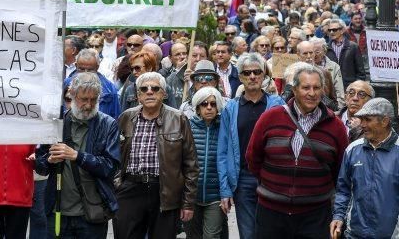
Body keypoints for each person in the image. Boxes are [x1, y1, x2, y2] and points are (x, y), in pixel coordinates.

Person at [246, 63, 348, 239]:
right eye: (306, 87)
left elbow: (340, 170)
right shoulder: (271, 117)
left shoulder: (335, 126)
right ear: (294, 89)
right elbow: (253, 158)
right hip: (271, 211)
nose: (312, 93)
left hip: (315, 214)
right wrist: (274, 185)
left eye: (317, 88)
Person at [113, 72, 198, 239]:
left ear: (164, 93)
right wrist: (117, 184)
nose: (149, 92)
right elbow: (115, 155)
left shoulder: (178, 118)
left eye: (155, 88)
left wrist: (188, 203)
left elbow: (191, 164)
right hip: (130, 189)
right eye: (144, 89)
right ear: (138, 95)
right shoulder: (126, 117)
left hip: (165, 192)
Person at [36, 72, 120, 238]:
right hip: (57, 210)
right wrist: (49, 160)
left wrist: (78, 156)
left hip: (92, 212)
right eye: (84, 99)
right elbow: (40, 166)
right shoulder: (56, 123)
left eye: (93, 100)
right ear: (72, 95)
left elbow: (110, 167)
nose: (88, 105)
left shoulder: (108, 124)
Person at [217, 53, 284, 239]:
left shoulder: (277, 105)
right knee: (248, 234)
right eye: (247, 73)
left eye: (257, 72)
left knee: (271, 233)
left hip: (272, 178)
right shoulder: (230, 108)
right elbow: (222, 151)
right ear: (240, 77)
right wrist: (225, 189)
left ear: (263, 75)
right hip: (243, 179)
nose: (252, 76)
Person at [331, 98, 399, 239]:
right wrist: (338, 216)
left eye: (367, 120)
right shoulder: (353, 149)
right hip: (354, 234)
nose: (362, 125)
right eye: (361, 120)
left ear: (385, 121)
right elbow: (343, 189)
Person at [184, 87, 226, 239]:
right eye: (204, 104)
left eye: (213, 104)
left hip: (215, 196)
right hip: (191, 196)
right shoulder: (187, 126)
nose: (209, 107)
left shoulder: (224, 127)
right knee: (192, 236)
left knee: (211, 236)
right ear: (197, 107)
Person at [64, 49, 120, 119]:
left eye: (90, 70)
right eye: (81, 69)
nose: (85, 73)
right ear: (76, 65)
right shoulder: (66, 85)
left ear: (97, 67)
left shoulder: (110, 89)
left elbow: (116, 117)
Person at [325, 17, 365, 87]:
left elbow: (361, 72)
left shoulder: (353, 47)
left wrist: (354, 86)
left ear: (342, 30)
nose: (331, 32)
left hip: (349, 88)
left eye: (334, 30)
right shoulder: (326, 47)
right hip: (332, 88)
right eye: (329, 30)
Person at [164, 42, 190, 108]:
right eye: (177, 54)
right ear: (170, 58)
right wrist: (178, 70)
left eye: (184, 53)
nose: (182, 57)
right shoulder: (164, 73)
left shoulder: (193, 73)